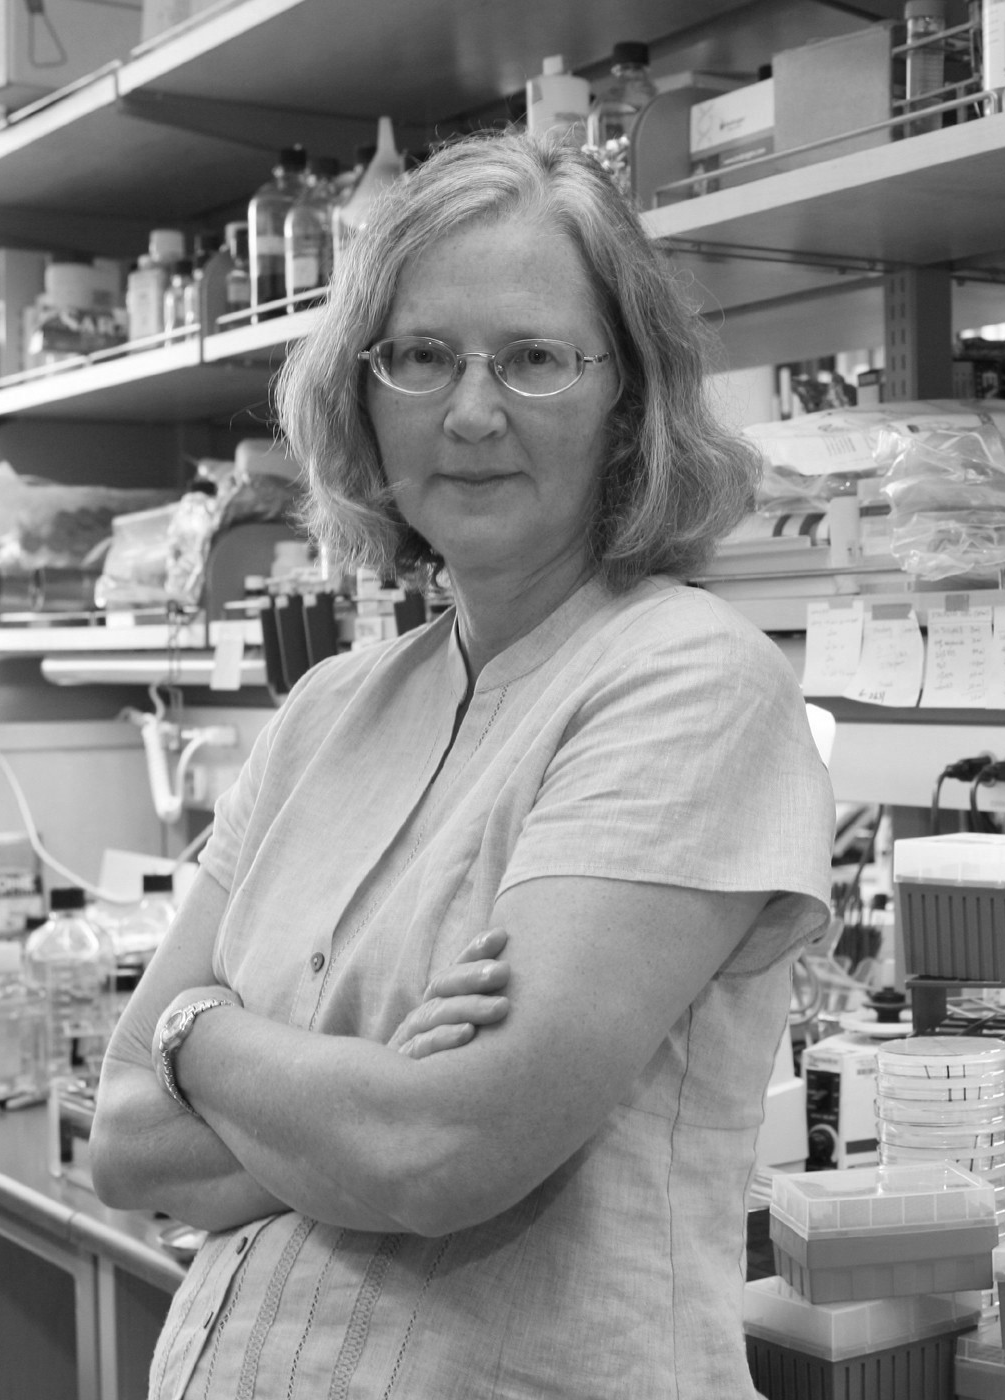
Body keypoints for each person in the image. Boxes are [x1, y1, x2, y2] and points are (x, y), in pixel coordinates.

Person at [90, 130, 834, 1399]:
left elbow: (444, 1151)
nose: (473, 410)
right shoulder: (326, 710)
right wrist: (364, 1095)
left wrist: (196, 1031)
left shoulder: (686, 683)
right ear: (364, 397)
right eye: (424, 356)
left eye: (534, 358)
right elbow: (123, 1140)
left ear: (626, 400)